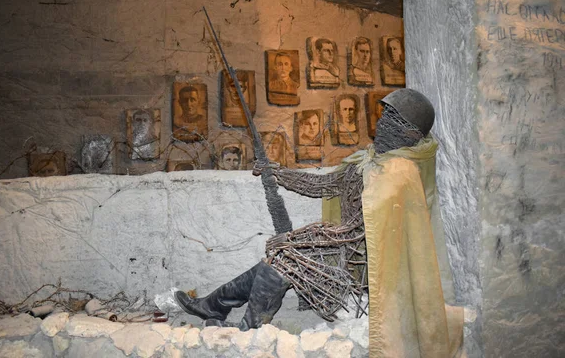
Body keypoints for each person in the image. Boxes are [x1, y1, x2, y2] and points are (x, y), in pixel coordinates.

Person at [175, 89, 463, 358]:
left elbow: (364, 233)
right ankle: (213, 306)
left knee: (284, 255)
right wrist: (279, 173)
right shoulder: (369, 160)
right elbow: (325, 184)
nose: (382, 122)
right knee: (279, 257)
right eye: (384, 115)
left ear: (410, 133)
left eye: (391, 119)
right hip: (340, 247)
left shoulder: (399, 172)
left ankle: (247, 328)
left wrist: (298, 238)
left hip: (361, 263)